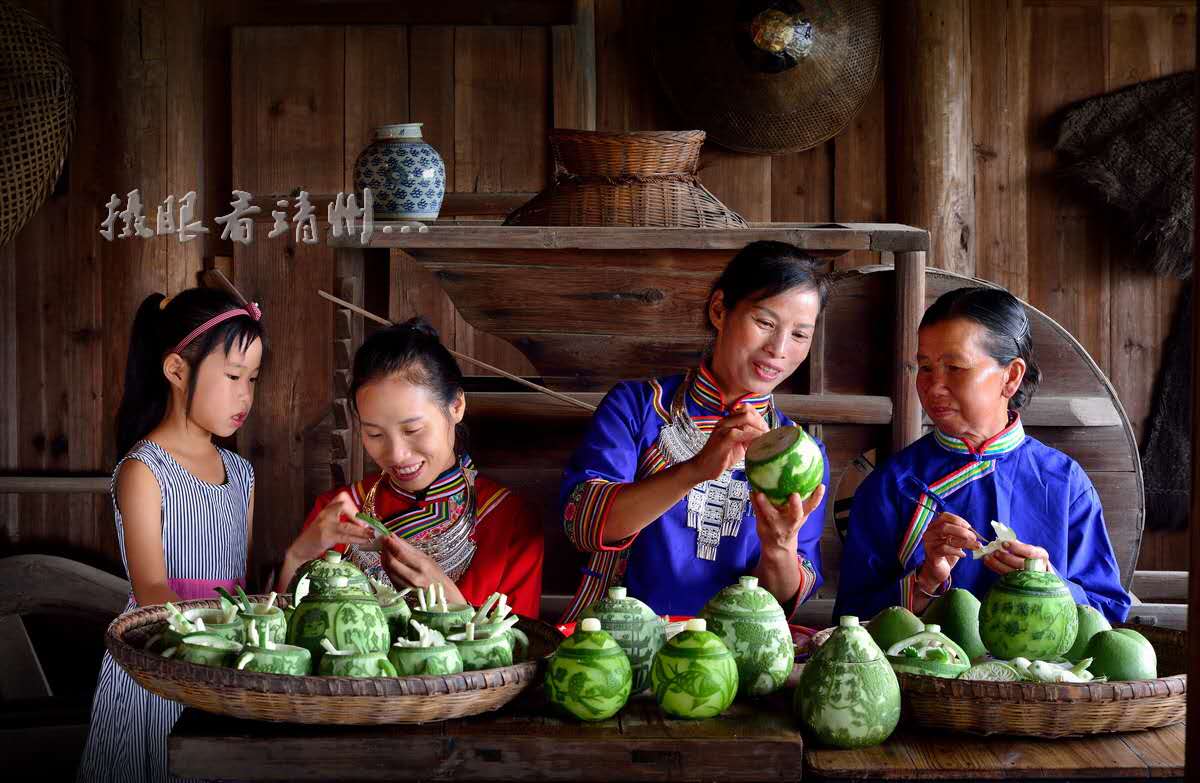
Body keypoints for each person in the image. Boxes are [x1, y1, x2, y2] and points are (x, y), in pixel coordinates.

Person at [559, 240, 830, 622]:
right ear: (719, 310)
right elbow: (582, 524)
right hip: (620, 644)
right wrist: (695, 469)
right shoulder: (637, 407)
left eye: (800, 334)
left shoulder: (805, 454)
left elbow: (783, 603)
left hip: (732, 660)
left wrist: (780, 548)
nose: (779, 349)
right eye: (765, 323)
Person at [834, 286, 1131, 623]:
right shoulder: (890, 485)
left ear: (1011, 376)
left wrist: (1050, 582)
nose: (933, 387)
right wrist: (926, 580)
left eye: (955, 368)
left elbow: (1109, 614)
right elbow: (849, 620)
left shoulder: (1063, 482)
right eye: (926, 368)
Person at [78, 287, 265, 782]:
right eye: (231, 377)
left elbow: (238, 586)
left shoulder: (240, 473)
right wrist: (212, 653)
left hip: (226, 665)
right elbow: (152, 594)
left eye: (252, 379)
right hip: (159, 666)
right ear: (177, 370)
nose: (245, 395)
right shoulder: (144, 471)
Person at [278, 318, 543, 618]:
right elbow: (287, 636)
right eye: (375, 434)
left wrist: (453, 605)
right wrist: (298, 555)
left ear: (456, 406)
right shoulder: (338, 512)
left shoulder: (510, 522)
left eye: (413, 429)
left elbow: (524, 651)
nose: (397, 454)